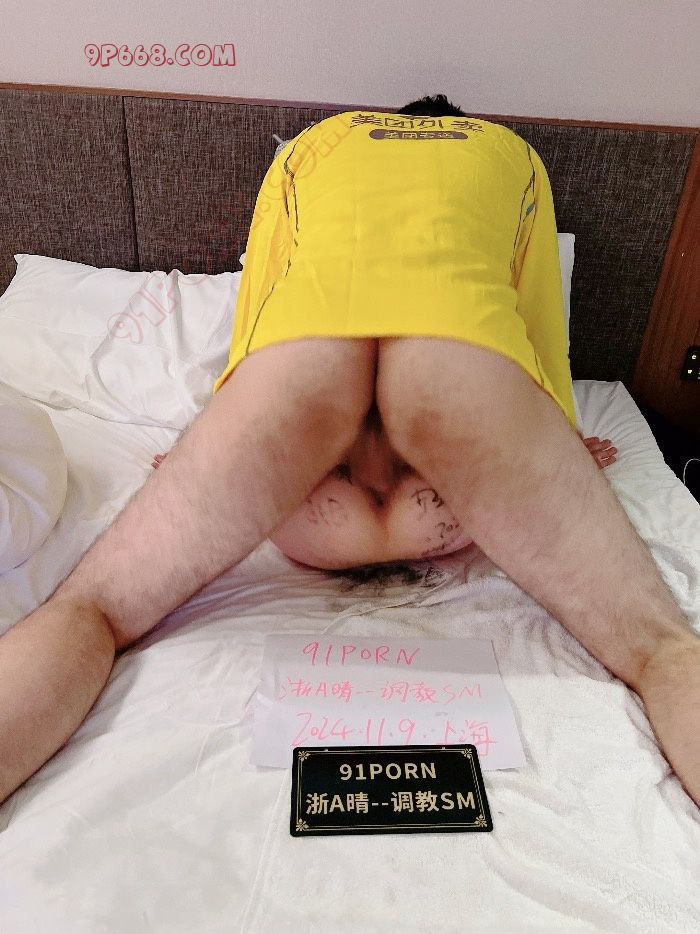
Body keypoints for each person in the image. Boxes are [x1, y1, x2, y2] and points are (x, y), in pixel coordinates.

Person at [0, 94, 697, 809]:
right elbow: (535, 327)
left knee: (93, 610)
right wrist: (555, 447)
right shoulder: (513, 155)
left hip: (316, 469)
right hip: (447, 428)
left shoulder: (313, 145)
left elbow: (263, 308)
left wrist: (210, 457)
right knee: (660, 648)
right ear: (451, 121)